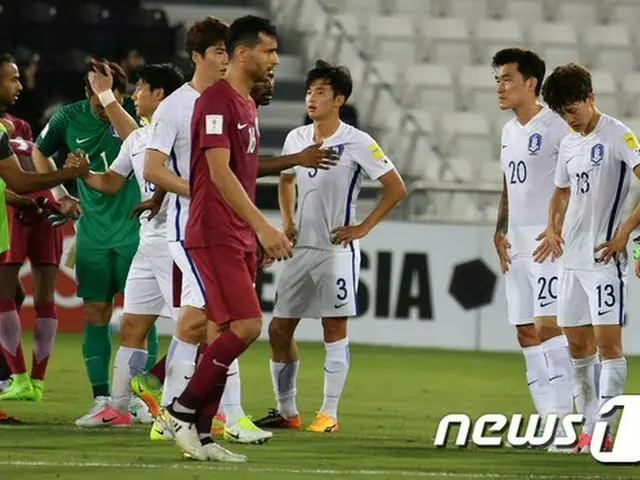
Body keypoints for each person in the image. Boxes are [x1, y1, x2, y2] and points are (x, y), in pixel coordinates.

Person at [253, 60, 405, 434]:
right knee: (279, 331)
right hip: (301, 249)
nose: (312, 98)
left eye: (321, 92)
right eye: (309, 91)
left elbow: (396, 187)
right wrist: (287, 223)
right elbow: (285, 182)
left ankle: (329, 414)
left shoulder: (358, 141)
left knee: (334, 328)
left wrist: (363, 228)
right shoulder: (297, 138)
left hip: (336, 251)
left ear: (339, 99)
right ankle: (287, 411)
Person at [32, 60, 159, 427]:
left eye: (111, 97)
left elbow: (135, 137)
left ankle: (138, 398)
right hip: (93, 233)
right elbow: (40, 152)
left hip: (136, 229)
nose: (103, 107)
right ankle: (102, 398)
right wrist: (60, 193)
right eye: (97, 100)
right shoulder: (67, 118)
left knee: (141, 319)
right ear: (87, 94)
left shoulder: (138, 119)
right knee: (95, 315)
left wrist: (111, 101)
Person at [534, 63, 640, 453]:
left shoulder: (618, 135)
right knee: (578, 348)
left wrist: (625, 233)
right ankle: (586, 429)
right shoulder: (568, 142)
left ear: (590, 98)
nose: (570, 119)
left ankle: (606, 433)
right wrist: (552, 226)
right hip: (571, 262)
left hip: (603, 261)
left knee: (608, 346)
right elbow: (561, 191)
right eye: (562, 113)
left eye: (573, 110)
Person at [74, 63, 184, 426]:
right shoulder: (137, 139)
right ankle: (118, 409)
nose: (135, 94)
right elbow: (111, 182)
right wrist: (82, 174)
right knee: (133, 325)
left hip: (177, 243)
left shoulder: (178, 134)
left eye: (141, 88)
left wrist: (106, 94)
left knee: (191, 326)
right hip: (146, 243)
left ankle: (183, 409)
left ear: (160, 96)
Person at [490, 48, 574, 441]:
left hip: (547, 242)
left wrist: (558, 227)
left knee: (549, 329)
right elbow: (509, 182)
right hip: (516, 242)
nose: (500, 87)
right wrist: (499, 228)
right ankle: (547, 420)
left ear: (531, 83)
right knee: (524, 331)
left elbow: (574, 181)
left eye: (507, 79)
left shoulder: (557, 125)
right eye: (497, 80)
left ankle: (565, 419)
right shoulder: (508, 131)